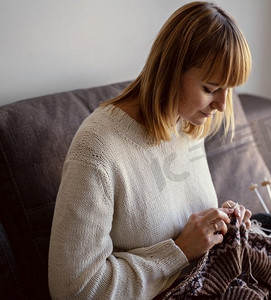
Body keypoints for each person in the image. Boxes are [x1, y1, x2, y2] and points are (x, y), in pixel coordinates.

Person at [48, 2, 252, 299]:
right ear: (171, 70)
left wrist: (219, 226)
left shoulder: (188, 124)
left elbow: (177, 217)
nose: (222, 105)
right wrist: (179, 251)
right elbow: (74, 290)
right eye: (210, 88)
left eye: (229, 89)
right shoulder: (97, 150)